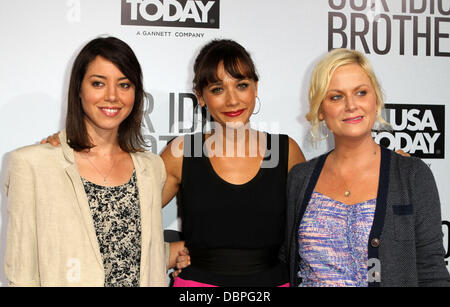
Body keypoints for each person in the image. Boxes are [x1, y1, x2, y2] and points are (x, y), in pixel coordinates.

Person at [5, 37, 169, 286]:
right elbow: (21, 272)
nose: (112, 96)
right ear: (79, 90)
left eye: (124, 85)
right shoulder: (32, 165)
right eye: (98, 83)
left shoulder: (151, 167)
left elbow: (144, 255)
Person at [283, 48, 450, 287]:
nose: (351, 105)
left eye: (361, 92)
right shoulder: (300, 179)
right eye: (336, 97)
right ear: (321, 110)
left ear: (376, 99)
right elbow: (284, 261)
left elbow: (432, 272)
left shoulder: (411, 175)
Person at [162, 39, 305, 287]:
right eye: (217, 89)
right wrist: (165, 253)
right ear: (201, 96)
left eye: (241, 85)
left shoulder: (283, 150)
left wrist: (392, 173)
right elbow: (130, 217)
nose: (232, 100)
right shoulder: (184, 151)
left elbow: (318, 223)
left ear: (255, 88)